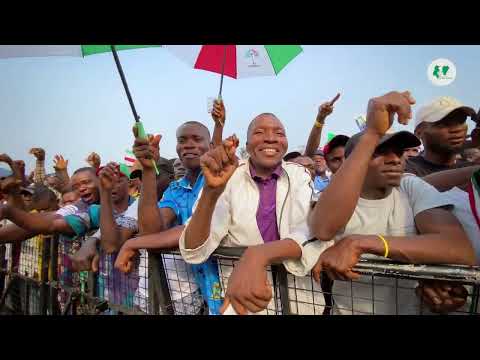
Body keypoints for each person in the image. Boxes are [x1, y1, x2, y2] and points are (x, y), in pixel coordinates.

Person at [300, 91, 475, 315]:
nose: (394, 159)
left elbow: (458, 247)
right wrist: (372, 133)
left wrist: (361, 242)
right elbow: (323, 228)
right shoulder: (337, 198)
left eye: (398, 152)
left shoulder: (410, 187)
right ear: (357, 162)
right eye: (379, 152)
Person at [179, 112, 329, 315]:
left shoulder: (299, 175)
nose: (270, 138)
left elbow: (310, 230)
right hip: (244, 302)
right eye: (260, 132)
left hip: (301, 301)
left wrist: (257, 254)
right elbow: (193, 249)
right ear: (247, 145)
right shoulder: (230, 176)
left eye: (279, 133)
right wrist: (211, 192)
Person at [121, 106, 227, 315]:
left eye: (197, 139)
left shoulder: (222, 181)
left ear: (211, 145)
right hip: (204, 292)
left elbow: (193, 228)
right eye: (182, 140)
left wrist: (133, 242)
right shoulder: (175, 189)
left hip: (233, 286)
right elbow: (152, 230)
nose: (188, 145)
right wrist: (149, 171)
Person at [405, 96, 476, 176]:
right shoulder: (403, 169)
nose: (457, 129)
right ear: (419, 133)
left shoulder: (473, 168)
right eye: (444, 124)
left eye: (461, 121)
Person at [304, 93, 341, 192]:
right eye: (315, 159)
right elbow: (309, 154)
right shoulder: (306, 182)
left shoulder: (340, 181)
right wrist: (320, 119)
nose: (318, 161)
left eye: (322, 158)